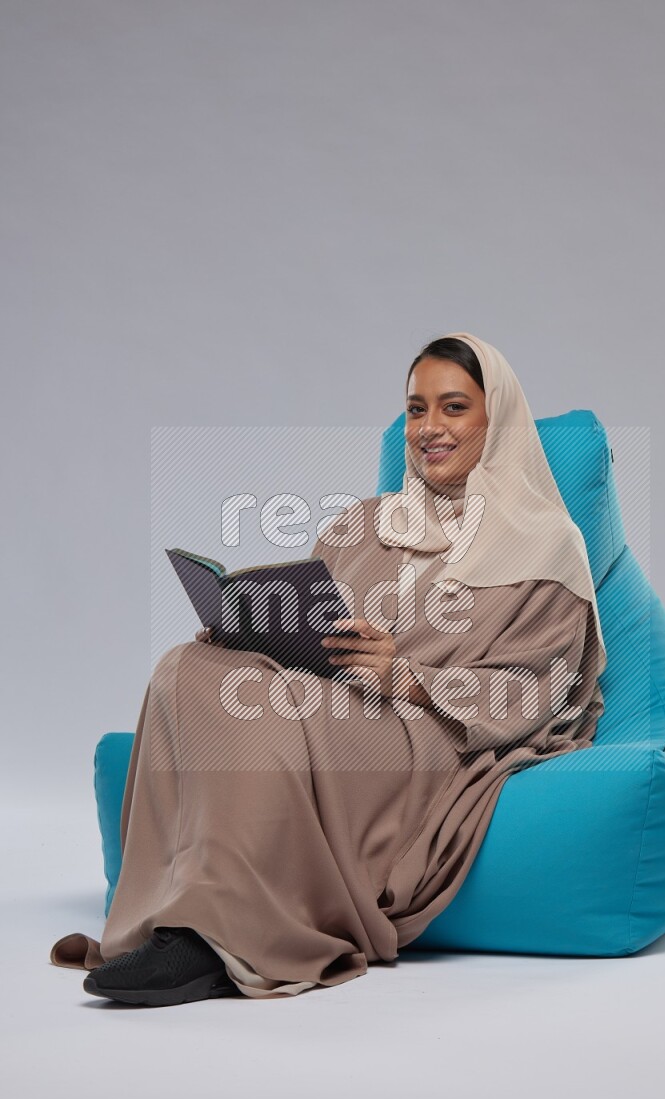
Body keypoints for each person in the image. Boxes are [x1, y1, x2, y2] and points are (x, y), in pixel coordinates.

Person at [49, 331, 607, 1004]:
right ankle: (170, 917)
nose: (428, 427)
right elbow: (318, 632)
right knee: (186, 666)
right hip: (339, 699)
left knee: (255, 703)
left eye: (453, 407)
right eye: (415, 408)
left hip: (430, 728)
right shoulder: (362, 525)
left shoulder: (546, 542)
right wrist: (247, 628)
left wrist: (403, 673)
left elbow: (537, 688)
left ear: (499, 420)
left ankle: (217, 939)